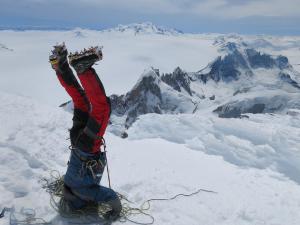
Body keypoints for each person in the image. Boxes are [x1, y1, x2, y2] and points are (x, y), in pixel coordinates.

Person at [49, 43, 122, 221]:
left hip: (87, 148)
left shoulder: (84, 193)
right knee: (81, 101)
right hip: (76, 143)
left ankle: (82, 69)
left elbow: (109, 196)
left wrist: (116, 209)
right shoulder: (68, 184)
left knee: (102, 109)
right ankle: (60, 66)